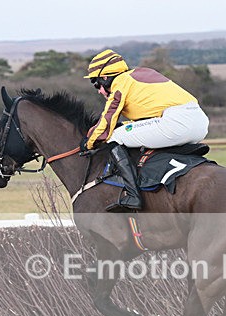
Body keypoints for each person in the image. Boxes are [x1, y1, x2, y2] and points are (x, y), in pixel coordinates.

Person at [81, 49, 210, 211]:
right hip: (199, 121)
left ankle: (132, 194)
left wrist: (89, 142)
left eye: (96, 83)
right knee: (125, 131)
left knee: (115, 136)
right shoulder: (141, 74)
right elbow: (147, 118)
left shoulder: (120, 83)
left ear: (105, 77)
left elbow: (107, 120)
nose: (99, 90)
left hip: (177, 122)